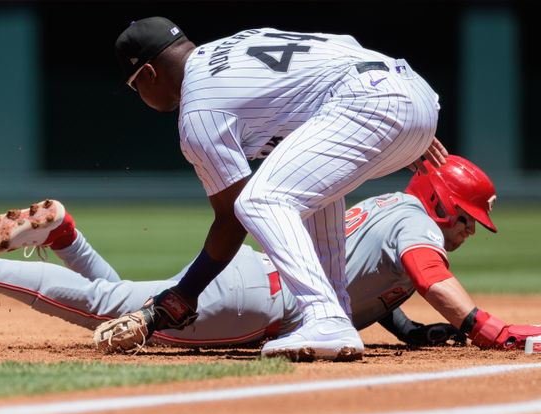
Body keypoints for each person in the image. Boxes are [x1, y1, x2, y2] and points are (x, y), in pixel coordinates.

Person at [0, 156, 541, 359]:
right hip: (258, 301)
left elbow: (371, 289)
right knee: (111, 308)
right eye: (468, 220)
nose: (469, 232)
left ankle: (67, 239)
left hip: (257, 276)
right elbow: (427, 275)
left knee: (128, 297)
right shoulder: (416, 225)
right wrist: (481, 325)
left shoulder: (392, 208)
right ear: (443, 203)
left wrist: (414, 332)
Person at [109, 17, 448, 360]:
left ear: (149, 74)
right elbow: (344, 42)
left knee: (259, 201)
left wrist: (185, 291)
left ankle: (325, 318)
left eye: (135, 86)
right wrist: (402, 116)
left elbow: (231, 218)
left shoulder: (198, 111)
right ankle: (335, 313)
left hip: (370, 103)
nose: (140, 95)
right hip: (406, 89)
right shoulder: (242, 40)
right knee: (306, 197)